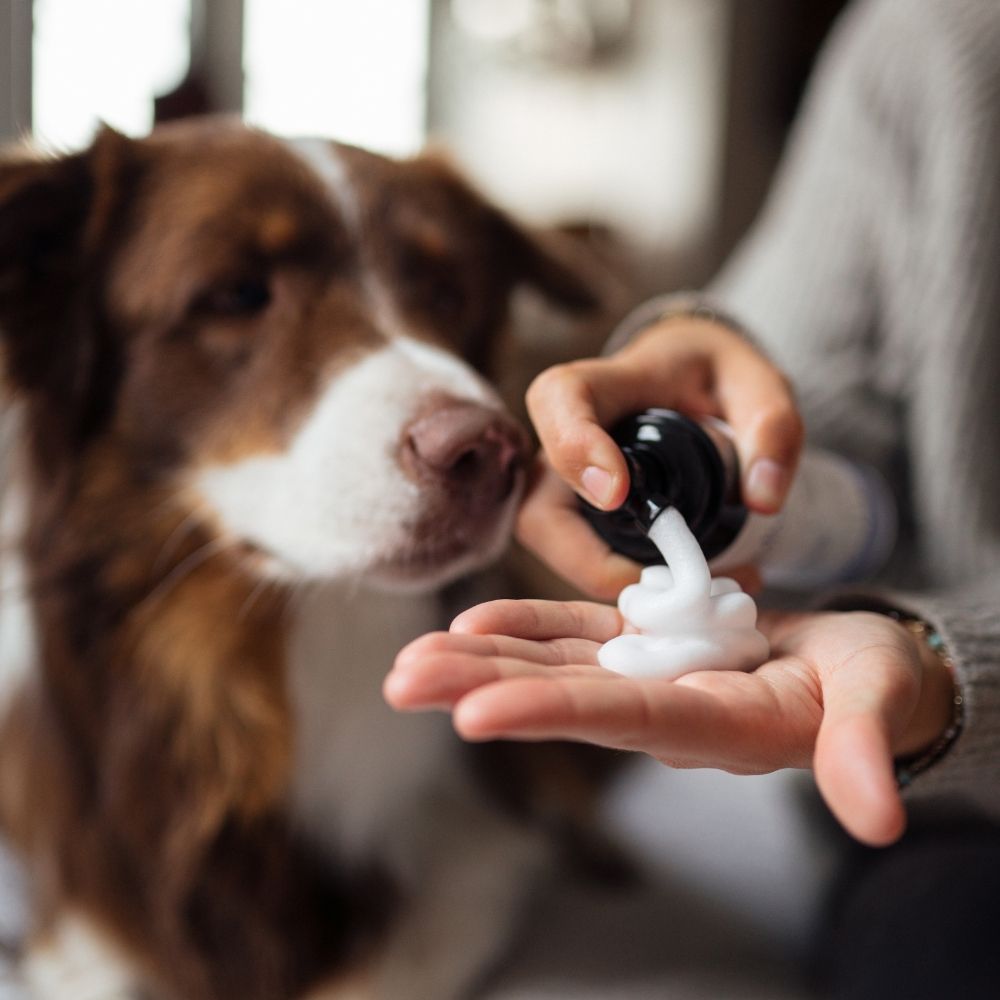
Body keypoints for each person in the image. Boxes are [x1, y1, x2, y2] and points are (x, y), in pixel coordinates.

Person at [388, 0, 1000, 994]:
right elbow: (818, 408)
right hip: (949, 824)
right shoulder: (938, 48)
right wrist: (717, 366)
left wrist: (960, 678)